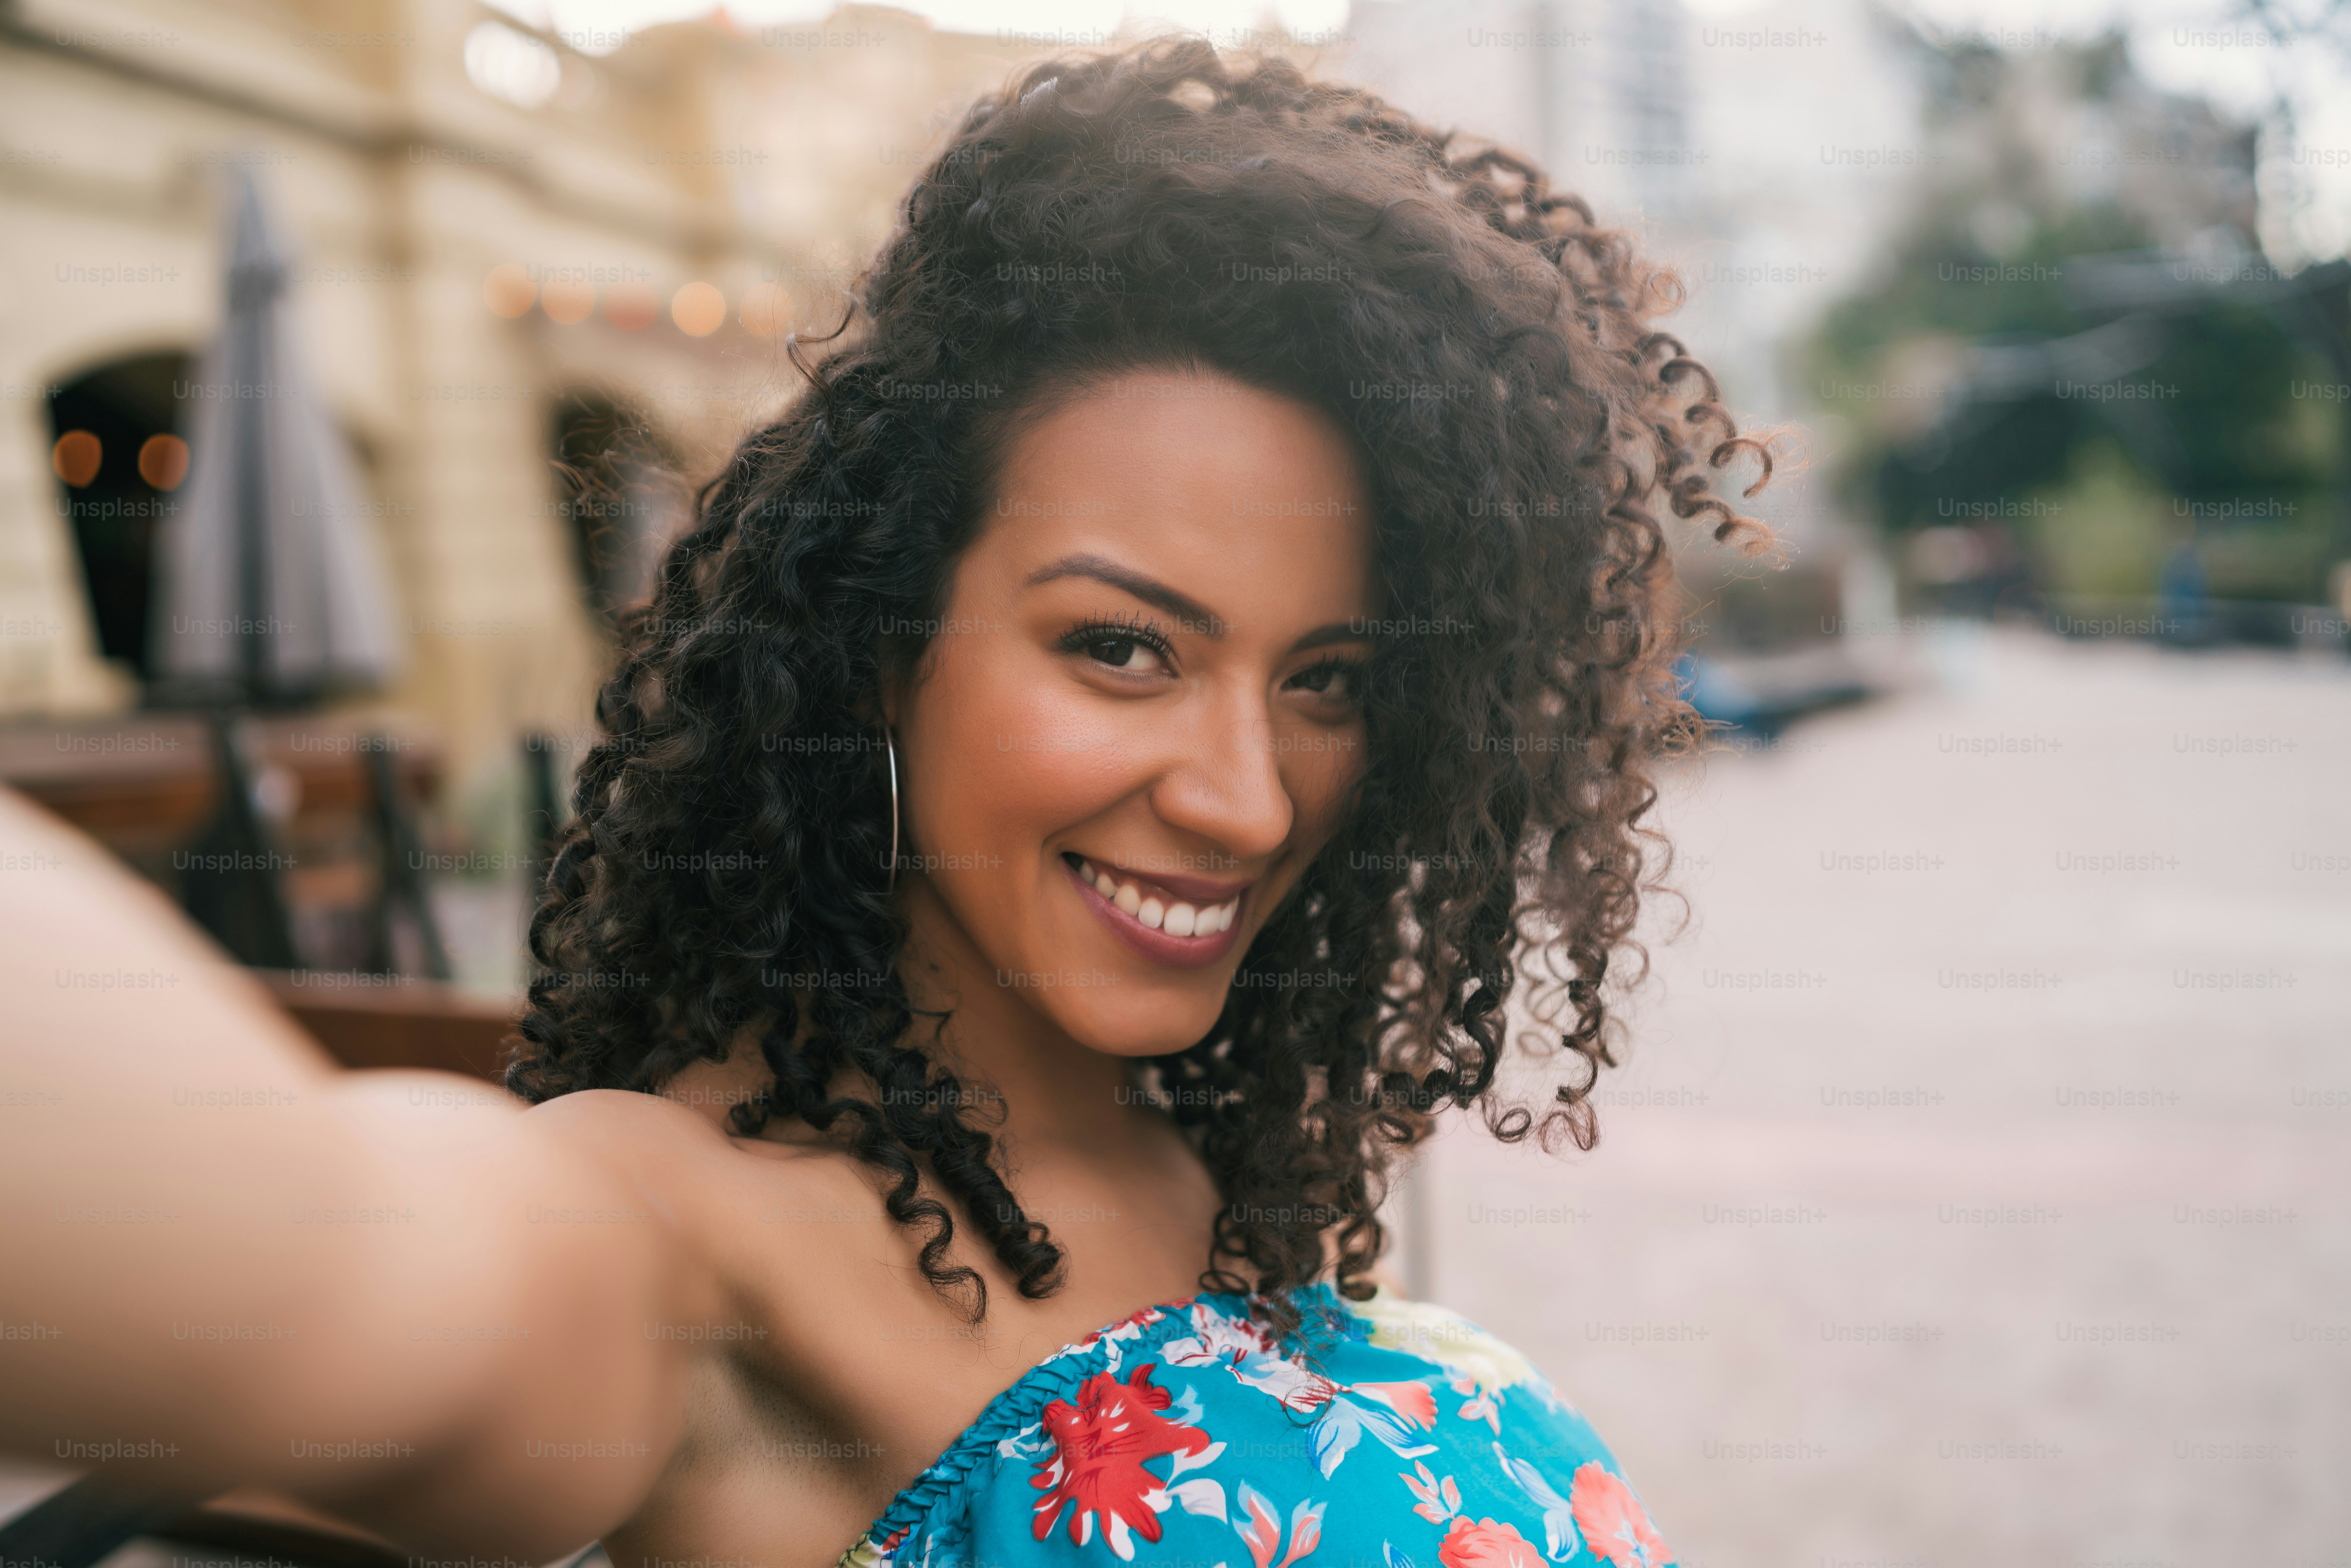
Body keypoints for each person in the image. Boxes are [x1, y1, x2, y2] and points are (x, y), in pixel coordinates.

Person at [0, 38, 1770, 1568]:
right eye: (1122, 649)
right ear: (878, 648)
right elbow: (311, 1281)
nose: (1246, 801)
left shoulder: (1228, 1151)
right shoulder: (689, 1242)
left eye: (1330, 682)